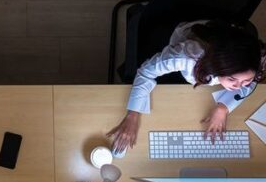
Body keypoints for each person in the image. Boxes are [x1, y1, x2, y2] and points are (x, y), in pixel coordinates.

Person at [108, 19, 265, 154]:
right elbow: (146, 72)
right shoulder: (187, 57)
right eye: (232, 79)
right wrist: (133, 115)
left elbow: (252, 81)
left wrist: (223, 107)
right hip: (189, 35)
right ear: (218, 67)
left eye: (246, 81)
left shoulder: (258, 58)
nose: (239, 87)